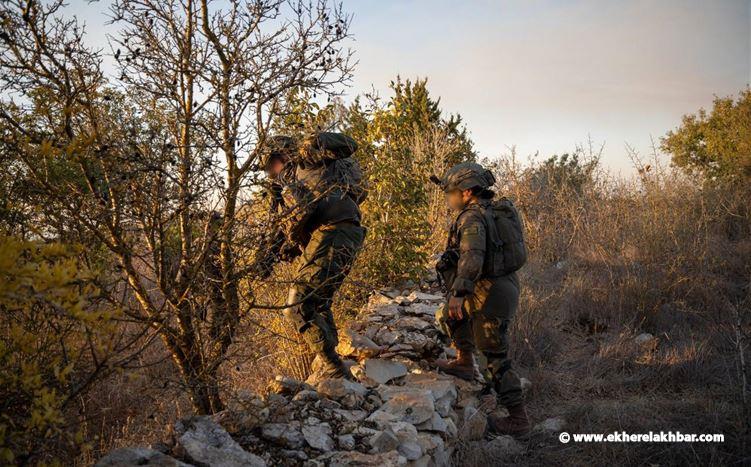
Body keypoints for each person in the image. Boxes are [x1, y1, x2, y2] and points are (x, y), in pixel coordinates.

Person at [432, 162, 530, 436]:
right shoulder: (494, 210)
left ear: (467, 192)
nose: (448, 197)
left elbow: (472, 256)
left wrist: (460, 293)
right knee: (450, 316)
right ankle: (464, 362)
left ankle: (517, 418)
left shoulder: (473, 218)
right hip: (496, 285)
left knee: (493, 355)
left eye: (451, 191)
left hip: (489, 291)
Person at [260, 132, 366, 381]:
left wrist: (317, 140)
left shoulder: (307, 161)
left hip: (335, 231)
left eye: (271, 165)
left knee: (297, 305)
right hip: (339, 233)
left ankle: (334, 369)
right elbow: (296, 223)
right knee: (318, 302)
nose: (270, 173)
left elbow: (351, 143)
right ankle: (335, 364)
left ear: (282, 155)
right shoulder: (290, 185)